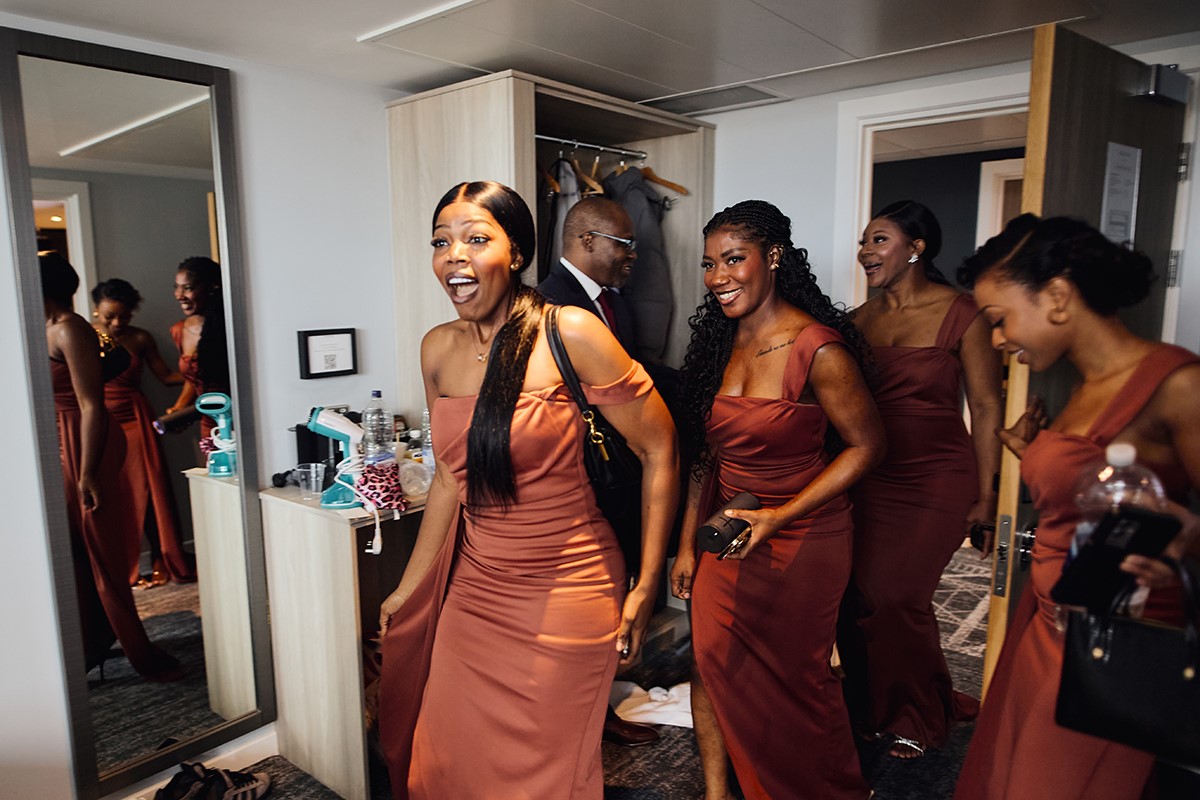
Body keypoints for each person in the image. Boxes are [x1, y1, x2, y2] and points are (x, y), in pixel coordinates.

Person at [376, 181, 678, 799]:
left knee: (537, 778)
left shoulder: (571, 332)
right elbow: (448, 478)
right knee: (444, 758)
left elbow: (660, 448)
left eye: (476, 239)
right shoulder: (436, 349)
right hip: (476, 588)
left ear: (515, 254)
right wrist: (409, 586)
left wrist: (646, 583)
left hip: (567, 590)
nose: (454, 255)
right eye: (441, 241)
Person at [953, 215, 1200, 800]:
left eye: (998, 320)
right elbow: (1087, 484)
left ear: (1058, 296)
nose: (996, 340)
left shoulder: (1178, 384)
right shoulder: (1081, 387)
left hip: (1114, 641)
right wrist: (1030, 449)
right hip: (1046, 627)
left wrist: (1187, 536)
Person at [670, 201, 885, 800]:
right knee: (708, 661)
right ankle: (718, 792)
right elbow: (705, 456)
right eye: (709, 264)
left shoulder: (819, 349)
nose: (718, 277)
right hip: (729, 528)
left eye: (733, 259)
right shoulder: (717, 345)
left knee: (797, 678)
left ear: (772, 257)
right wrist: (687, 545)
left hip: (805, 534)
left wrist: (780, 516)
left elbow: (867, 448)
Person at [838, 200, 1002, 758]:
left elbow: (983, 404)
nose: (865, 251)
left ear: (916, 247)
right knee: (861, 597)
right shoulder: (857, 322)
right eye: (864, 241)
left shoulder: (964, 312)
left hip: (936, 476)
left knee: (897, 597)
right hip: (872, 475)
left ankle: (915, 714)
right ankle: (880, 703)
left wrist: (989, 493)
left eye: (878, 240)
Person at [537, 195, 662, 748]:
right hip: (579, 476)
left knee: (616, 595)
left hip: (621, 469)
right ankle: (582, 718)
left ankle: (597, 704)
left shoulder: (615, 303)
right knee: (586, 606)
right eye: (624, 243)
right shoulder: (546, 304)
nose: (633, 255)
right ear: (587, 240)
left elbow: (631, 381)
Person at [41, 251, 183, 681]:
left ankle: (130, 646)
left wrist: (86, 472)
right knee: (72, 551)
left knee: (98, 548)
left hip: (85, 443)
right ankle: (89, 642)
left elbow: (91, 405)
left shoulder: (69, 327)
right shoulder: (44, 327)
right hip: (59, 440)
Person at [92, 278, 196, 587]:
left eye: (124, 316)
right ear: (95, 308)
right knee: (114, 492)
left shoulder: (140, 338)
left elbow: (165, 376)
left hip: (136, 418)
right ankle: (122, 565)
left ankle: (163, 557)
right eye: (109, 315)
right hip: (99, 417)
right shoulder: (81, 334)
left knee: (151, 489)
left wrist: (200, 373)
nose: (116, 322)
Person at [169, 256, 229, 442]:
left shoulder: (229, 328)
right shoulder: (179, 330)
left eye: (188, 288)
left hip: (237, 419)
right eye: (177, 287)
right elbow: (194, 377)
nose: (179, 295)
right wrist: (179, 409)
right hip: (208, 423)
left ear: (212, 287)